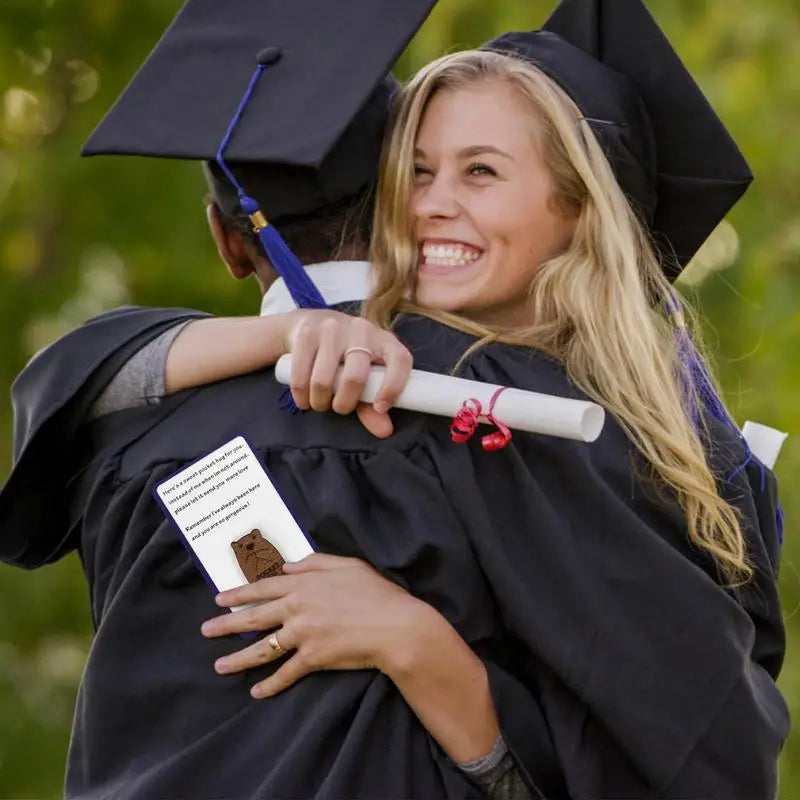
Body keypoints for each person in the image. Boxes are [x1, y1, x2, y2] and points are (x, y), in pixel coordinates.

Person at [2, 1, 788, 799]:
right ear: (383, 201)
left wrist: (417, 643)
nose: (436, 201)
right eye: (416, 171)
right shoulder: (483, 421)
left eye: (480, 171)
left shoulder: (142, 425)